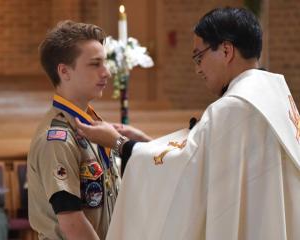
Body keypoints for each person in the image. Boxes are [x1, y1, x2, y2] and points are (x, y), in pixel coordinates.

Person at [75, 7, 300, 240]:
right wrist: (143, 142)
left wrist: (120, 143)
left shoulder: (234, 107)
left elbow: (188, 171)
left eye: (199, 56)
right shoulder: (274, 96)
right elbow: (203, 157)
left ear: (226, 50)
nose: (197, 68)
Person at [27, 20, 121, 240]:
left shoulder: (92, 126)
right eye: (95, 64)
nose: (106, 72)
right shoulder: (57, 138)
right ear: (64, 71)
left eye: (104, 63)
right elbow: (72, 223)